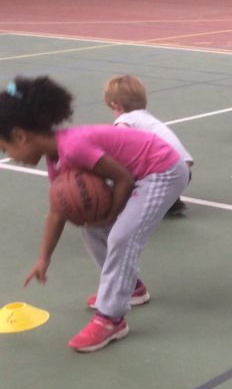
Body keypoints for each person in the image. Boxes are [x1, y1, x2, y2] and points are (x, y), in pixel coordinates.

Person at [0, 76, 189, 352]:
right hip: (141, 172)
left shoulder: (74, 146)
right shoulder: (57, 161)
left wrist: (110, 214)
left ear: (20, 135)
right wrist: (44, 258)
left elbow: (123, 178)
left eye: (5, 148)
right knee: (90, 227)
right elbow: (56, 213)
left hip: (164, 170)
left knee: (122, 237)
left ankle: (112, 319)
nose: (9, 155)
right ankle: (132, 288)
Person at [104, 74, 193, 216]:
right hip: (184, 173)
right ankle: (171, 201)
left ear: (115, 104)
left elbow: (120, 145)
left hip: (166, 173)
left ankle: (151, 201)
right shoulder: (148, 118)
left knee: (122, 170)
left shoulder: (125, 120)